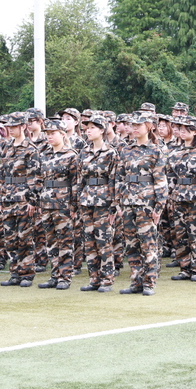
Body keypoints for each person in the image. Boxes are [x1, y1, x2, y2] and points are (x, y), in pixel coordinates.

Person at [115, 111, 168, 295]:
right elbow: (120, 177)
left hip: (146, 204)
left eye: (139, 125)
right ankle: (136, 281)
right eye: (133, 125)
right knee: (131, 245)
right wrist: (118, 203)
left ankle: (149, 282)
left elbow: (160, 181)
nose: (135, 128)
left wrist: (159, 206)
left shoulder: (155, 150)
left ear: (149, 126)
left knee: (148, 244)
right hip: (128, 202)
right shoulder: (126, 150)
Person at [0, 112, 41, 287]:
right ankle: (15, 273)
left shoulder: (31, 149)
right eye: (9, 127)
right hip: (8, 198)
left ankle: (27, 273)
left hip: (23, 199)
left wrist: (32, 200)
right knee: (10, 239)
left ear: (23, 126)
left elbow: (35, 177)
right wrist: (0, 197)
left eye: (14, 126)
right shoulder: (6, 147)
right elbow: (1, 174)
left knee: (24, 238)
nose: (11, 129)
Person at [77, 115, 119, 292]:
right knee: (89, 241)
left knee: (104, 241)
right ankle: (94, 278)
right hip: (86, 200)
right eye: (87, 128)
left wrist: (114, 205)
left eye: (92, 128)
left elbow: (114, 179)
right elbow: (80, 179)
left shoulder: (111, 153)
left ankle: (107, 279)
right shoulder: (84, 152)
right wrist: (78, 200)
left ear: (102, 130)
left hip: (104, 201)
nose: (88, 131)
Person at [166, 116, 196, 282]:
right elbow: (170, 177)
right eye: (181, 129)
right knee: (180, 234)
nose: (182, 132)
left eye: (186, 129)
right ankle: (185, 268)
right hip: (178, 196)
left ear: (195, 132)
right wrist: (170, 197)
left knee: (195, 234)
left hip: (195, 198)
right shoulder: (175, 152)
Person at [37, 119, 79, 290]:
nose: (49, 136)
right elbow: (40, 180)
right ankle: (54, 275)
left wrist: (74, 205)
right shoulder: (44, 154)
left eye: (52, 133)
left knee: (65, 241)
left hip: (63, 204)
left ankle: (65, 277)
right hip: (47, 204)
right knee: (51, 242)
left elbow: (75, 182)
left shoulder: (71, 155)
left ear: (62, 134)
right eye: (47, 134)